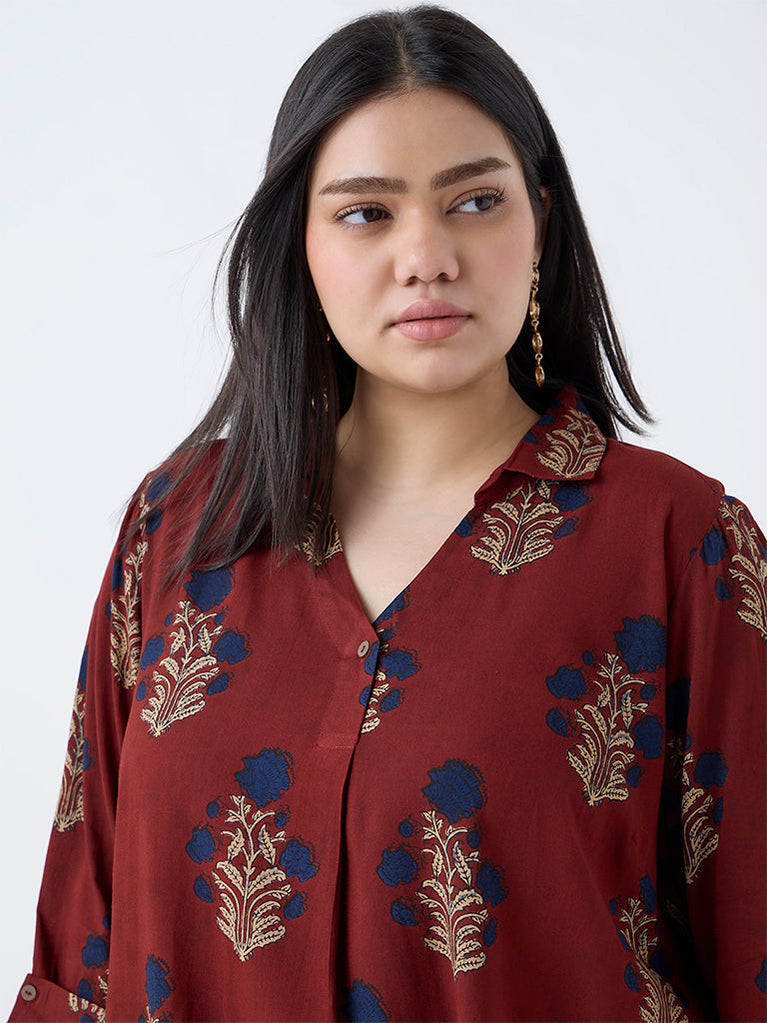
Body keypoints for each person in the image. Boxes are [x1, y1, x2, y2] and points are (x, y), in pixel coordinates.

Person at [8, 6, 765, 1022]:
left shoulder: (682, 544)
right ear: (301, 243)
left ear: (539, 222)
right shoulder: (178, 526)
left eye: (475, 202)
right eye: (366, 212)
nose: (426, 256)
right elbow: (80, 953)